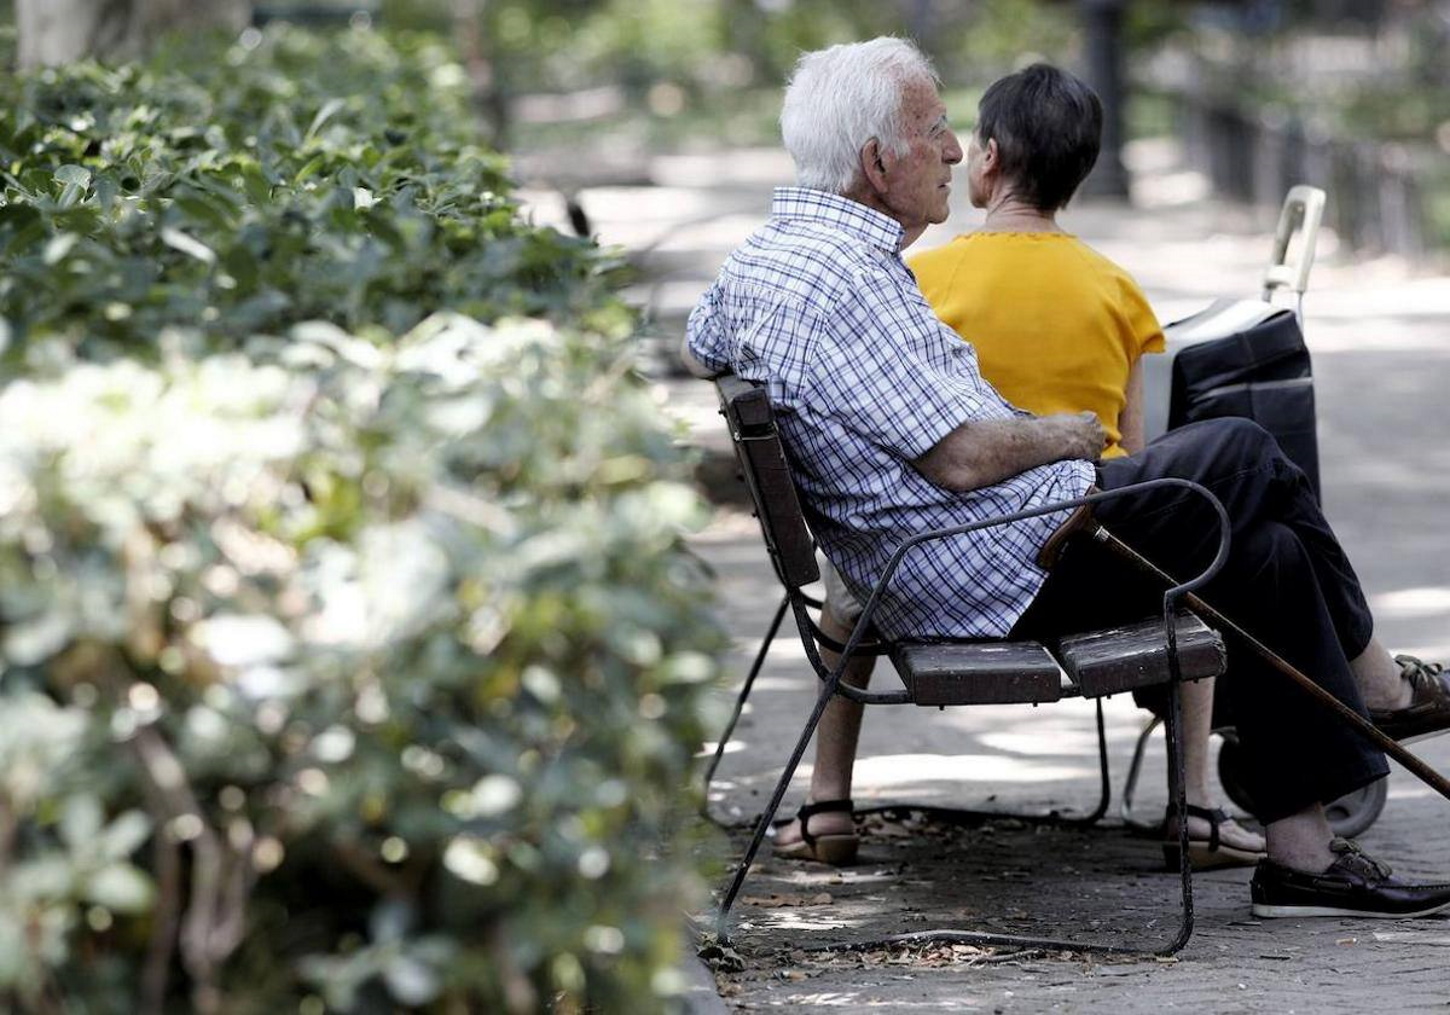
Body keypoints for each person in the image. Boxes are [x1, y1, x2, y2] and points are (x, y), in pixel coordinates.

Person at [683, 36, 1450, 919]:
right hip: (994, 572)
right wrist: (1065, 436)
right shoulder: (844, 282)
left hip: (979, 552)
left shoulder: (771, 257)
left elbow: (699, 340)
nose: (950, 151)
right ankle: (1383, 687)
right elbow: (961, 458)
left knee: (1268, 547)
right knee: (1240, 448)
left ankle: (1302, 859)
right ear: (876, 159)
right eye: (933, 130)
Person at [814, 62, 1260, 869]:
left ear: (985, 158)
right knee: (1197, 542)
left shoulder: (923, 278)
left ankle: (825, 800)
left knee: (843, 589)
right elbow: (1134, 447)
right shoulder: (1116, 288)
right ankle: (1195, 805)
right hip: (1090, 557)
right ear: (1082, 171)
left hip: (936, 572)